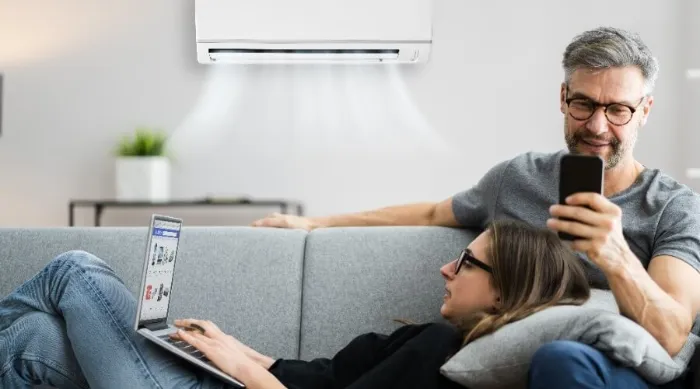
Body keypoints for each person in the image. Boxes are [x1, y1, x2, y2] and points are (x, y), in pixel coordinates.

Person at [251, 26, 700, 388]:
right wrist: (314, 223)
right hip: (502, 359)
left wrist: (616, 256)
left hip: (608, 370)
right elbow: (431, 213)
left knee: (561, 362)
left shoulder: (673, 208)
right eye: (583, 104)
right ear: (563, 98)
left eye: (618, 109)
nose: (598, 125)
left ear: (644, 111)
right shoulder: (517, 179)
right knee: (429, 344)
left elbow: (670, 332)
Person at [0, 220, 589, 388]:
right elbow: (317, 377)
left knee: (76, 268)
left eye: (466, 263)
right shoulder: (433, 340)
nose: (445, 267)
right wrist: (232, 347)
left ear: (506, 289)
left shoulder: (444, 352)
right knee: (36, 345)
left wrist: (233, 368)